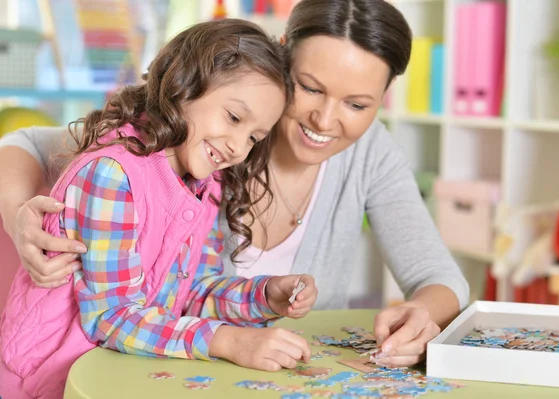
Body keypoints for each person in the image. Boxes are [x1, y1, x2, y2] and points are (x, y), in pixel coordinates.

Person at [0, 0, 468, 370]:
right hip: (85, 369)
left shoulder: (214, 173)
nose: (325, 119)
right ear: (281, 59)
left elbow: (196, 289)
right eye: (309, 87)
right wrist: (21, 215)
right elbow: (28, 143)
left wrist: (267, 295)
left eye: (358, 104)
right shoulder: (159, 150)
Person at [0, 19, 319, 399]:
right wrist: (230, 342)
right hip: (48, 383)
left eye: (253, 137)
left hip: (121, 376)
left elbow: (191, 293)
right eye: (233, 117)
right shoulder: (113, 174)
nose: (237, 147)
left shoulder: (206, 183)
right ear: (183, 86)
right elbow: (111, 318)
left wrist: (263, 296)